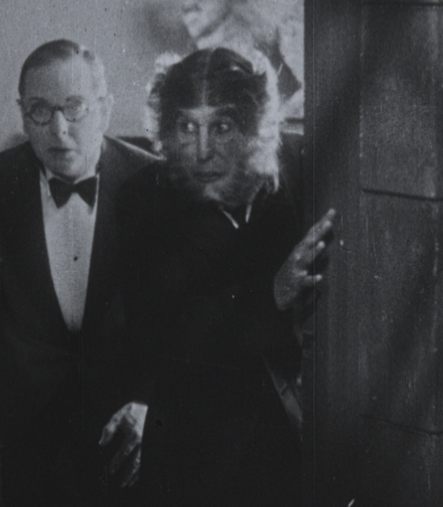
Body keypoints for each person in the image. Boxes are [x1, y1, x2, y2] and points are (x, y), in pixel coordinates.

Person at [115, 47, 336, 506]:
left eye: (221, 127)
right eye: (186, 127)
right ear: (166, 131)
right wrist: (272, 293)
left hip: (299, 443)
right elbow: (164, 334)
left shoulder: (301, 170)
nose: (202, 151)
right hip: (196, 454)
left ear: (255, 129)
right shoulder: (141, 200)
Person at [0, 39, 156, 506]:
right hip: (24, 425)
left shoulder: (156, 184)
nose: (58, 128)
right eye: (39, 110)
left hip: (126, 424)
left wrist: (151, 403)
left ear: (105, 110)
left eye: (75, 108)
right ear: (22, 114)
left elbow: (180, 313)